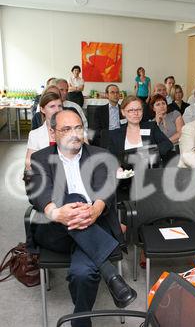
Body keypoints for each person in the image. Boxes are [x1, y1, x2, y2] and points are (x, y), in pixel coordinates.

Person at [28, 110, 137, 327]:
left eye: (78, 127)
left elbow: (106, 188)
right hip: (56, 230)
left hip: (93, 223)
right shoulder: (40, 158)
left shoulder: (99, 154)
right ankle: (110, 274)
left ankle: (81, 320)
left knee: (82, 273)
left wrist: (95, 209)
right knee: (74, 197)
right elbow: (37, 193)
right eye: (66, 129)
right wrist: (58, 213)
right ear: (53, 131)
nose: (74, 134)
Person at [108, 96, 173, 168]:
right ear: (123, 112)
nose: (136, 113)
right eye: (131, 110)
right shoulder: (115, 134)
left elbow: (167, 144)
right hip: (126, 174)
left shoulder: (151, 127)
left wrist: (150, 153)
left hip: (151, 173)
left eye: (139, 109)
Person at [25, 92, 63, 170]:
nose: (57, 110)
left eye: (59, 106)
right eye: (52, 106)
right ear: (42, 109)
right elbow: (29, 163)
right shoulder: (35, 134)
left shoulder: (73, 129)